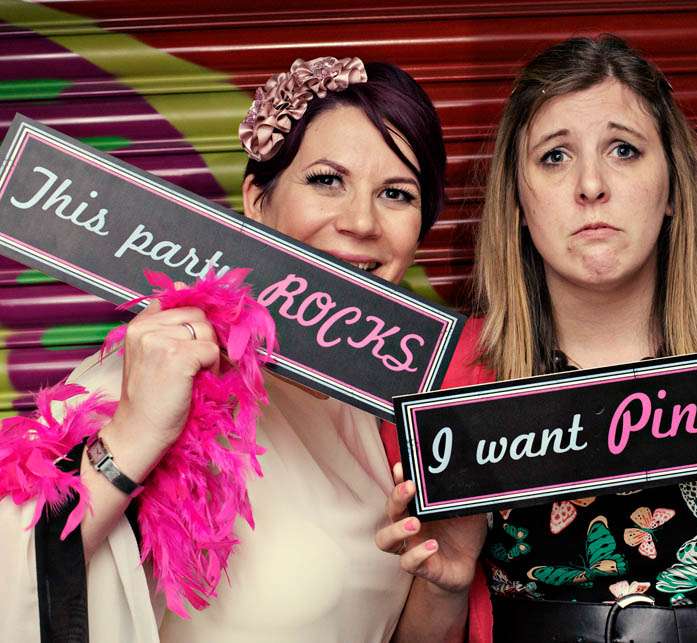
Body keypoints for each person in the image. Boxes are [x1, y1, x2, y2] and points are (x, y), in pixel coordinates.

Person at [377, 35, 697, 642]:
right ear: (517, 200)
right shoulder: (446, 382)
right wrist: (443, 585)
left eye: (623, 150)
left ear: (673, 187)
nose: (591, 185)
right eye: (554, 156)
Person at [1, 55, 446, 643]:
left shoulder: (396, 404)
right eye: (326, 180)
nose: (361, 221)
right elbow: (15, 572)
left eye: (396, 193)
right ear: (258, 200)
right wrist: (134, 435)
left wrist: (447, 584)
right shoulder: (161, 365)